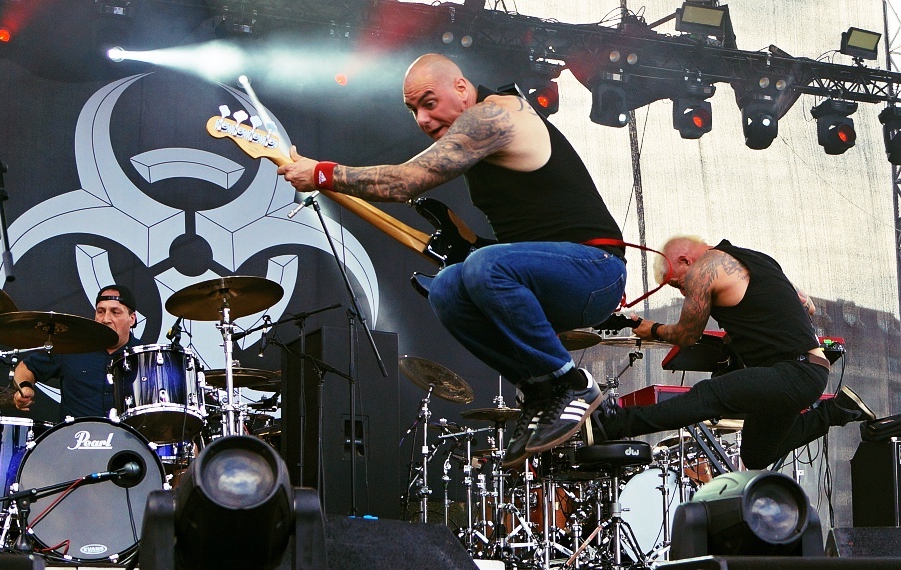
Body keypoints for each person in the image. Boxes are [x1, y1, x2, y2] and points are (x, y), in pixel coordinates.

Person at [277, 54, 627, 469]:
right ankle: (540, 389)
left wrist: (321, 173)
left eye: (429, 103)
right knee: (446, 288)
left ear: (462, 88)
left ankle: (572, 384)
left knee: (483, 268)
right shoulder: (477, 128)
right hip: (548, 278)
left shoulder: (494, 116)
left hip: (596, 272)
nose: (423, 120)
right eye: (413, 111)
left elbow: (405, 182)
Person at [584, 236, 875, 469]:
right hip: (809, 370)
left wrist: (655, 329)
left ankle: (613, 425)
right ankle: (837, 410)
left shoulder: (705, 268)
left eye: (677, 283)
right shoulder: (758, 259)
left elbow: (687, 335)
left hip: (792, 372)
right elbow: (807, 305)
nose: (683, 292)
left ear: (685, 261)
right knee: (758, 455)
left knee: (709, 395)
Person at [12, 284, 140, 419]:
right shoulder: (73, 347)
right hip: (77, 432)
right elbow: (26, 367)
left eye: (115, 312)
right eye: (101, 312)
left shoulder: (145, 356)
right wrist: (25, 386)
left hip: (127, 432)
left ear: (132, 319)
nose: (105, 319)